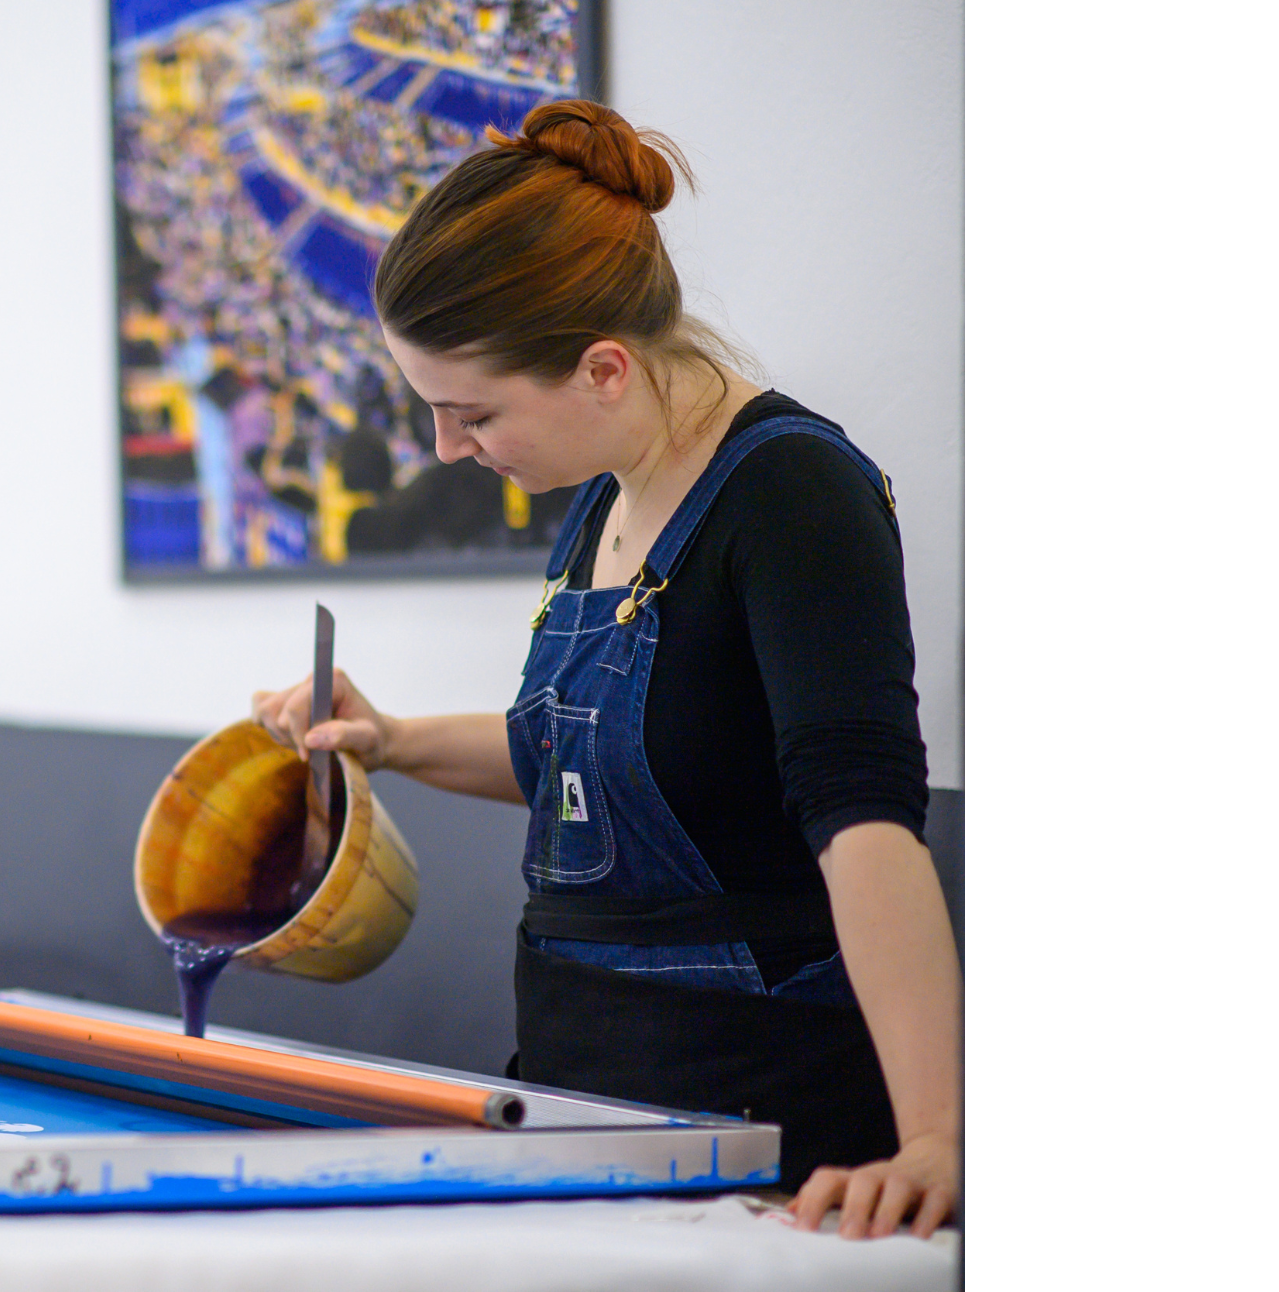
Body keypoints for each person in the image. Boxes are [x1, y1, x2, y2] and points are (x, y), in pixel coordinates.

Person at [252, 101, 959, 1240]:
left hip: (758, 1131)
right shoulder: (604, 496)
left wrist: (936, 1138)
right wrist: (389, 740)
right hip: (577, 1107)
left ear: (601, 367)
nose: (447, 449)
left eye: (470, 412)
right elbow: (575, 761)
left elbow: (867, 828)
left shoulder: (794, 497)